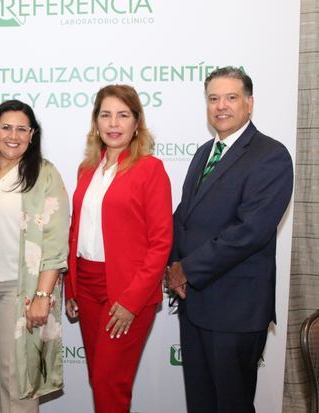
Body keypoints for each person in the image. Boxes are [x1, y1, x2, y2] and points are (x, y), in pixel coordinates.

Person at [164, 67, 294, 413]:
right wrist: (172, 265)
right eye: (213, 98)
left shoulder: (271, 155)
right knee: (201, 403)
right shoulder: (204, 152)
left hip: (235, 308)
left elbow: (249, 232)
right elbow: (184, 217)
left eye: (231, 97)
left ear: (249, 104)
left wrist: (187, 269)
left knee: (231, 405)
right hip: (194, 305)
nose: (221, 106)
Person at [65, 85, 173, 413]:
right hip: (86, 287)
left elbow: (161, 243)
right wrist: (70, 287)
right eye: (106, 114)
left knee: (111, 383)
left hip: (126, 293)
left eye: (123, 115)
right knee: (100, 380)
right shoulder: (87, 170)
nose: (114, 123)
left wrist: (130, 301)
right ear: (96, 123)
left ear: (136, 123)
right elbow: (77, 232)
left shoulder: (150, 169)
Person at [0, 100, 69, 413]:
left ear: (33, 135)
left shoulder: (44, 175)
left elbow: (55, 242)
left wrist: (42, 296)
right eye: (6, 127)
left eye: (22, 129)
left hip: (18, 293)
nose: (14, 135)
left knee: (18, 383)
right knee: (2, 378)